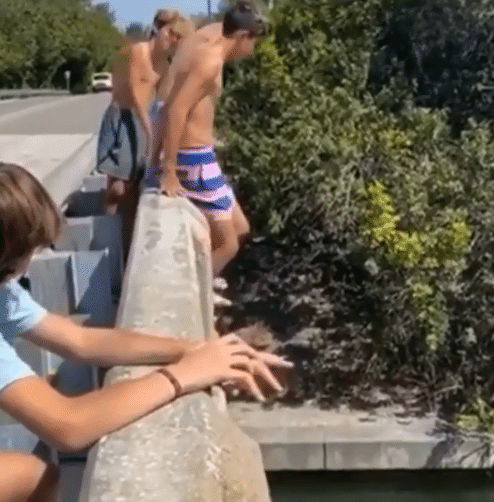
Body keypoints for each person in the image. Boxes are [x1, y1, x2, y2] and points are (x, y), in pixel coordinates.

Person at [0, 162, 292, 501]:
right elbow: (69, 426)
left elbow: (81, 341)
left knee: (37, 476)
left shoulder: (4, 292)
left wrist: (196, 350)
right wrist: (181, 376)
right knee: (34, 477)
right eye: (31, 251)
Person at [144, 1, 270, 278]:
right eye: (253, 42)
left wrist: (154, 159)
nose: (252, 50)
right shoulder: (209, 62)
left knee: (241, 228)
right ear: (242, 36)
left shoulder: (209, 43)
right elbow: (175, 109)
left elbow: (166, 105)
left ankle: (202, 277)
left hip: (203, 156)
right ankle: (191, 289)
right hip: (194, 159)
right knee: (228, 244)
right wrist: (168, 171)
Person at [96, 10, 194, 263]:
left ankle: (127, 251)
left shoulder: (165, 65)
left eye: (177, 38)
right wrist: (152, 138)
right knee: (117, 188)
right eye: (170, 33)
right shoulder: (137, 52)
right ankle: (105, 245)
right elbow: (137, 98)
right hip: (124, 117)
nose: (171, 40)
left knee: (133, 191)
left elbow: (163, 103)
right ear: (158, 29)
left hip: (145, 118)